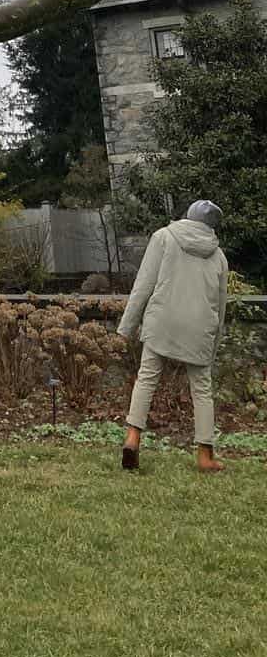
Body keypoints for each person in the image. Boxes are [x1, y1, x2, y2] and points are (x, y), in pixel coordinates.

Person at [118, 199, 228, 474]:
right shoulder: (219, 257)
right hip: (199, 327)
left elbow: (143, 285)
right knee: (202, 390)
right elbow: (221, 305)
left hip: (162, 321)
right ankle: (205, 455)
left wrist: (126, 327)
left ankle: (132, 438)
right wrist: (213, 345)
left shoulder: (164, 238)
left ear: (187, 216)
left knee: (146, 378)